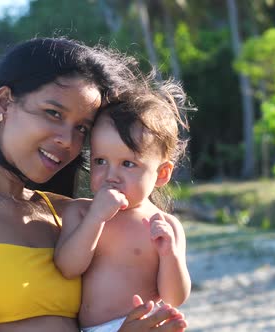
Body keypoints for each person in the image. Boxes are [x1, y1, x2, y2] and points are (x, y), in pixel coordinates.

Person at [0, 37, 188, 332]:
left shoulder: (72, 215)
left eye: (81, 128)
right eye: (53, 113)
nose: (67, 139)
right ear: (4, 102)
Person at [54, 81, 192, 332]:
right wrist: (95, 219)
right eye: (100, 161)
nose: (111, 175)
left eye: (128, 164)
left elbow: (174, 298)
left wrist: (169, 254)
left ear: (161, 174)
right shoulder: (81, 212)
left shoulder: (165, 225)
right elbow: (67, 267)